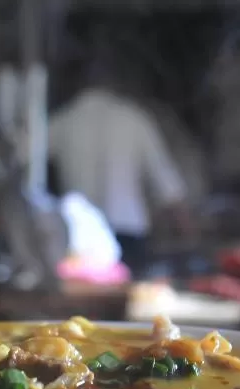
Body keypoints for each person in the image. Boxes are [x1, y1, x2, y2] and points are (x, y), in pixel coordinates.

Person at [47, 50, 198, 275]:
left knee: (84, 306)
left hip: (80, 240)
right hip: (130, 236)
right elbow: (167, 185)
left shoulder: (63, 121)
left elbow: (21, 165)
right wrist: (191, 237)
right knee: (132, 304)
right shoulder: (134, 118)